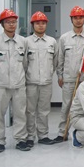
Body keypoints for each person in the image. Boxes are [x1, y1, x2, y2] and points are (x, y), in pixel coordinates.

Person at [0, 9, 30, 153]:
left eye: (14, 22)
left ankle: (20, 140)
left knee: (20, 113)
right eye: (8, 22)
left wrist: (18, 76)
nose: (11, 24)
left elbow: (25, 63)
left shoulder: (23, 41)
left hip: (19, 85)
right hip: (1, 85)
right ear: (2, 24)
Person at [54, 5, 84, 143]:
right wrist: (60, 76)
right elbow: (60, 59)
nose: (78, 20)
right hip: (68, 79)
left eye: (81, 17)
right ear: (71, 19)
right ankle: (62, 132)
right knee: (66, 106)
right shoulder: (64, 38)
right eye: (75, 18)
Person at [25, 11, 58, 146]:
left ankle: (43, 135)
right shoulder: (26, 42)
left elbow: (55, 61)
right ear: (33, 25)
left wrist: (49, 73)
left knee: (44, 111)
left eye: (43, 23)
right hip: (30, 83)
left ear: (46, 25)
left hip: (46, 83)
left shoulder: (52, 42)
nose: (40, 25)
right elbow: (23, 63)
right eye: (37, 23)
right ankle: (29, 137)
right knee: (30, 111)